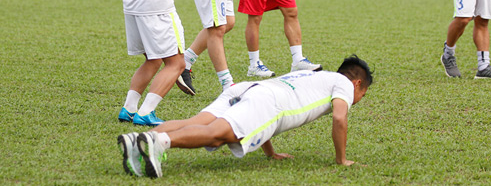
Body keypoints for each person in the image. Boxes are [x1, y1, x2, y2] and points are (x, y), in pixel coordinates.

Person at [117, 54, 373, 178]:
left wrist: (270, 152)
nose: (357, 99)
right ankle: (158, 143)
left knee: (194, 123)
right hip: (267, 100)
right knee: (215, 136)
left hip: (249, 89)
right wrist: (342, 160)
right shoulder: (343, 84)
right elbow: (339, 118)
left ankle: (138, 140)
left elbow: (264, 118)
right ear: (358, 83)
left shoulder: (315, 76)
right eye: (363, 93)